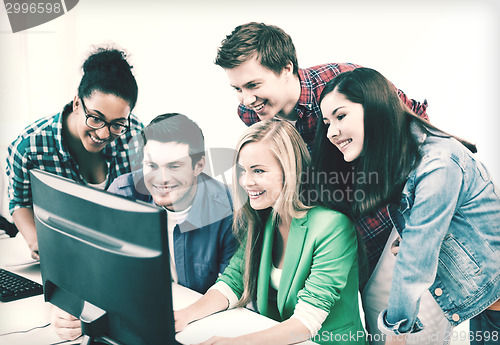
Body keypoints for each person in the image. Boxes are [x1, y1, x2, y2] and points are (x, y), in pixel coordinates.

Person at [215, 21, 429, 281]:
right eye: (237, 89)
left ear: (286, 69)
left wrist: (419, 225)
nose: (246, 100)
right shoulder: (251, 114)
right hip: (333, 232)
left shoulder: (342, 83)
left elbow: (418, 126)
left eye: (253, 85)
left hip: (391, 220)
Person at [316, 67, 500, 345]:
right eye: (327, 122)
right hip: (487, 310)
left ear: (375, 107)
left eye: (340, 116)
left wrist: (396, 331)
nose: (331, 132)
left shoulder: (438, 163)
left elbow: (416, 259)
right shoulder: (405, 162)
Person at [175, 119, 366, 345]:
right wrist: (186, 314)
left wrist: (239, 342)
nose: (246, 181)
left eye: (258, 171)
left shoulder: (333, 226)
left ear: (290, 172)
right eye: (242, 171)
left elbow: (307, 321)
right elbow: (234, 281)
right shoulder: (264, 218)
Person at [51, 113, 239, 341]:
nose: (161, 179)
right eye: (151, 165)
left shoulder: (227, 206)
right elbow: (93, 264)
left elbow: (233, 283)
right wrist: (71, 306)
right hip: (136, 318)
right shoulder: (123, 194)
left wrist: (186, 315)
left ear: (199, 164)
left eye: (174, 166)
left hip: (200, 324)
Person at [6, 47, 143, 260]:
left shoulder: (135, 135)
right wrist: (35, 240)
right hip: (63, 255)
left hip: (119, 255)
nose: (103, 133)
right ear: (77, 103)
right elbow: (19, 203)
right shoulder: (29, 147)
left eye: (117, 124)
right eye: (96, 118)